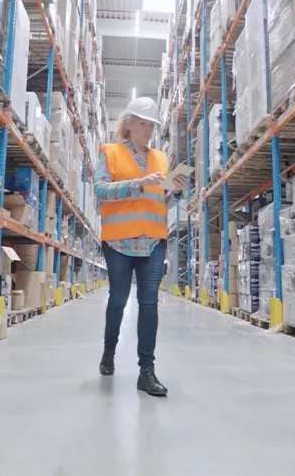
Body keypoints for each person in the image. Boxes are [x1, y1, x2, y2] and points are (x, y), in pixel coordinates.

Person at [94, 97, 188, 397]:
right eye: (143, 124)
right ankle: (109, 351)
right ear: (129, 124)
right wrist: (137, 183)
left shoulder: (160, 158)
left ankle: (146, 371)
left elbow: (160, 199)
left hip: (152, 240)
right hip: (119, 242)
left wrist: (175, 192)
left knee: (150, 303)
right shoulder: (110, 152)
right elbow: (100, 190)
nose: (148, 131)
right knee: (118, 300)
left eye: (152, 126)